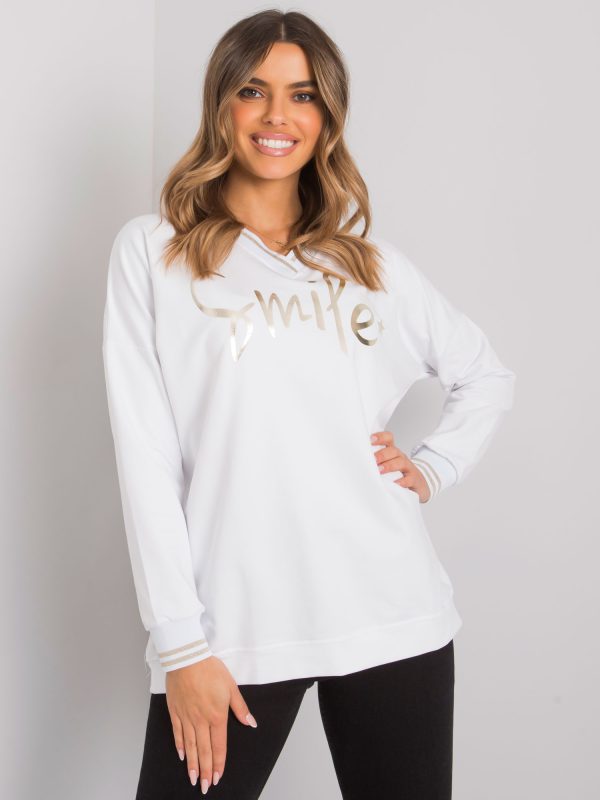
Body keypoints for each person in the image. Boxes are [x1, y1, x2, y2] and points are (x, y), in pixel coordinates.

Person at [101, 9, 515, 799]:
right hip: (234, 631)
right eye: (253, 90)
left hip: (394, 614)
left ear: (326, 117)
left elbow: (486, 375)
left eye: (303, 95)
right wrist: (180, 644)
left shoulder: (367, 267)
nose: (277, 115)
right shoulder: (154, 255)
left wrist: (432, 467)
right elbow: (145, 455)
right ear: (222, 103)